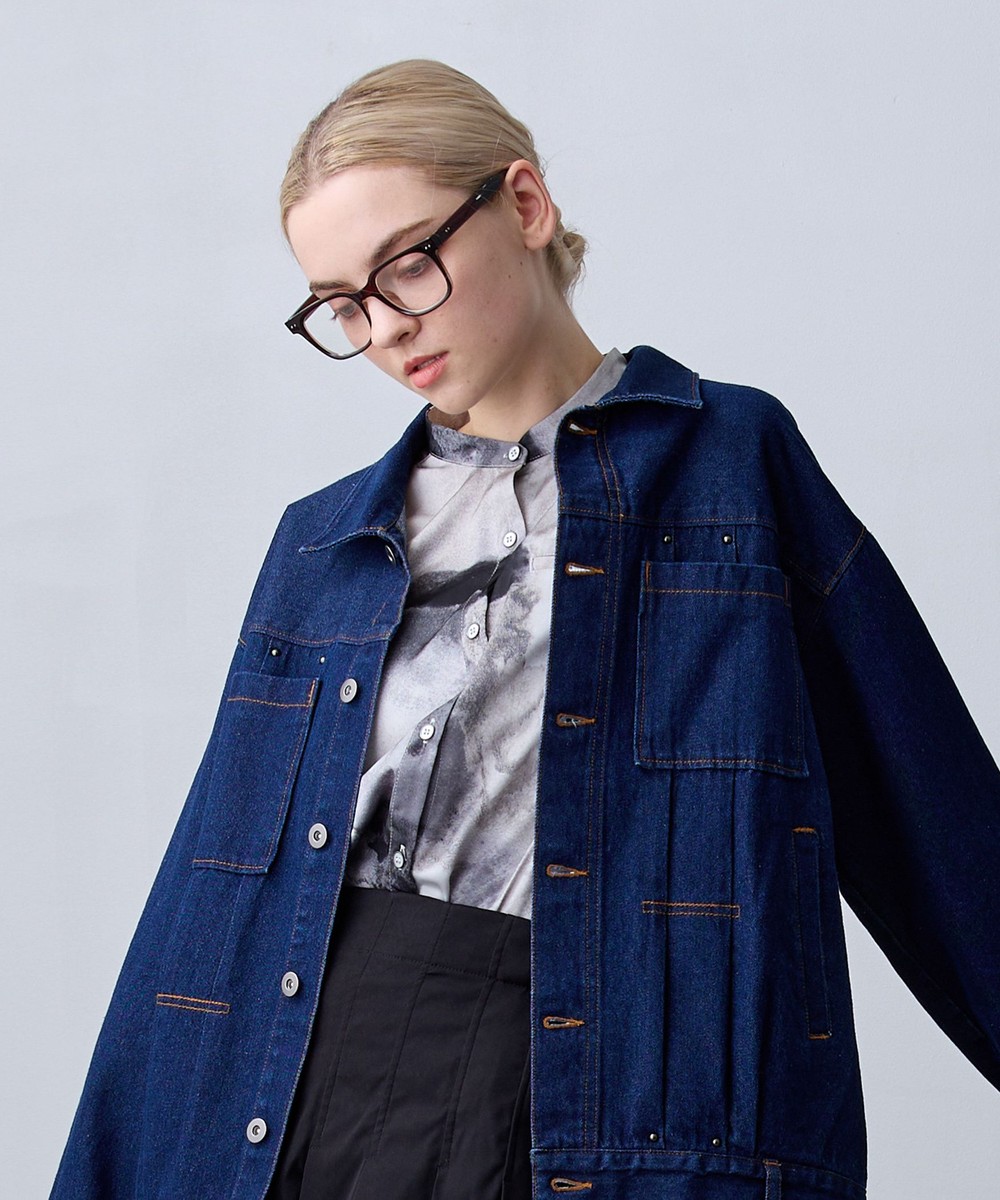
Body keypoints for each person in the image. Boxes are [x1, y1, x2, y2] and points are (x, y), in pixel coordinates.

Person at [50, 58, 1000, 1200]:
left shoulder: (732, 468)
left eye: (407, 265)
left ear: (525, 205)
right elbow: (208, 900)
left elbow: (931, 812)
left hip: (603, 1098)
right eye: (342, 305)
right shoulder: (322, 544)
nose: (385, 330)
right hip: (305, 1096)